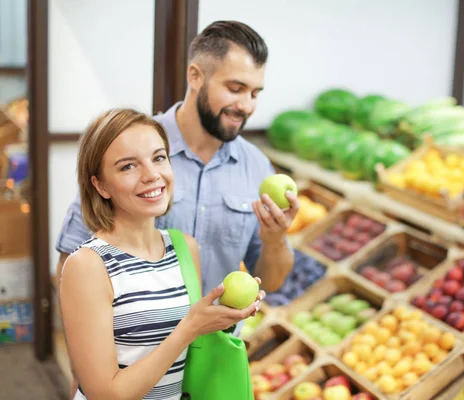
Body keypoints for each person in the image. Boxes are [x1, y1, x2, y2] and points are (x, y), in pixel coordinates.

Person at [56, 20, 297, 317]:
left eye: (255, 93)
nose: (246, 106)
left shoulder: (258, 167)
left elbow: (271, 282)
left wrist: (275, 238)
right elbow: (71, 260)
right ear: (195, 76)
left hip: (215, 352)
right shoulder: (131, 147)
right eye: (236, 89)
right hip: (137, 352)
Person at [60, 108, 265, 400]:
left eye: (158, 158)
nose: (152, 175)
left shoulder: (183, 248)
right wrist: (190, 328)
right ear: (100, 185)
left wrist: (225, 317)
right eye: (128, 166)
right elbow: (105, 394)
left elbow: (184, 355)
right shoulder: (88, 266)